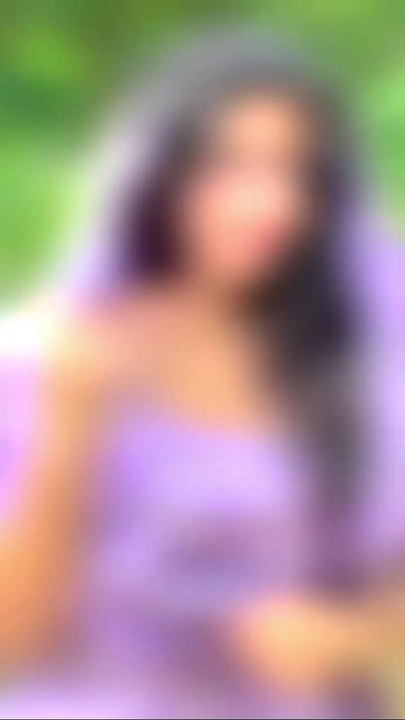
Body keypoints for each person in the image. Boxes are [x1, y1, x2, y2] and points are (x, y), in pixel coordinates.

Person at [1, 31, 404, 719]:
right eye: (229, 166)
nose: (269, 204)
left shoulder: (351, 359)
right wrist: (68, 435)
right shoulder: (55, 349)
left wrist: (344, 637)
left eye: (296, 173)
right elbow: (15, 639)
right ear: (160, 173)